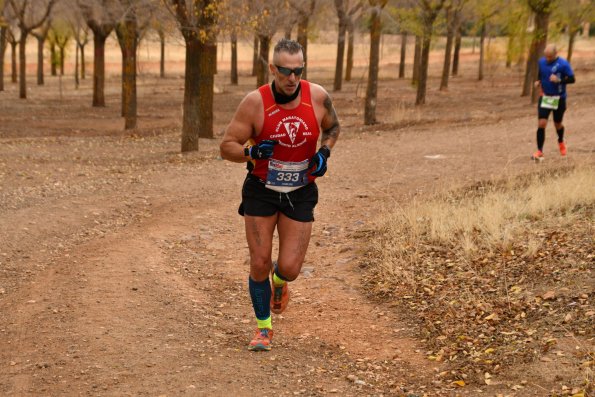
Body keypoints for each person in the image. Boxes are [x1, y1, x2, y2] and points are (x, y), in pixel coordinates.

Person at [219, 38, 340, 351]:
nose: (292, 78)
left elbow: (333, 127)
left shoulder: (317, 96)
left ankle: (280, 282)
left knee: (289, 268)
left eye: (298, 70)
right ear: (272, 68)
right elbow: (227, 146)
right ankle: (263, 329)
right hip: (261, 190)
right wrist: (254, 151)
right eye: (285, 71)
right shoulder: (254, 102)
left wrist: (324, 154)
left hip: (300, 191)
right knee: (259, 262)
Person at [532, 44, 575, 161]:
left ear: (555, 54)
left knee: (558, 124)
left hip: (559, 98)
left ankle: (561, 141)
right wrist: (538, 81)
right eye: (546, 56)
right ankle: (540, 151)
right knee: (541, 124)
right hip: (545, 97)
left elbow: (572, 79)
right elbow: (541, 74)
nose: (547, 59)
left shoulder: (563, 64)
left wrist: (559, 80)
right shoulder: (541, 62)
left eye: (550, 57)